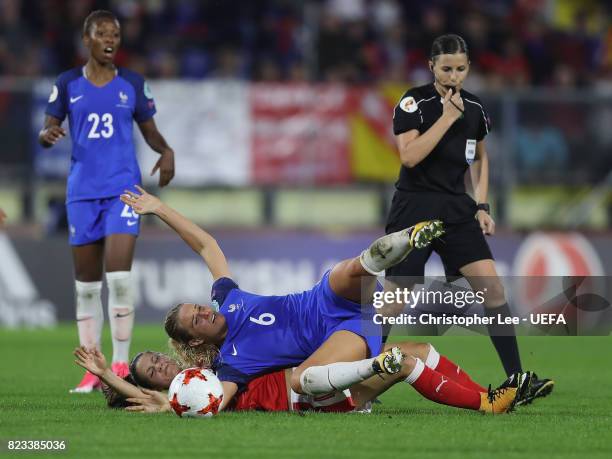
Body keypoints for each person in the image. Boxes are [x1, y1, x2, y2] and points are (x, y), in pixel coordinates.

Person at [120, 186, 532, 415]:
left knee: (346, 271)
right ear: (194, 341)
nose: (204, 311)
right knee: (315, 376)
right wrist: (165, 404)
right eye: (197, 320)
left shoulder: (228, 298)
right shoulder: (230, 363)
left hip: (323, 303)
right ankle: (488, 400)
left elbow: (207, 246)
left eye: (198, 306)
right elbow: (214, 402)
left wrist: (160, 209)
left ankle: (408, 239)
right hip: (339, 340)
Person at [385, 33, 553, 405]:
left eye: (460, 69)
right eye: (446, 69)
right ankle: (362, 378)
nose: (453, 76)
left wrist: (481, 205)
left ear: (468, 69)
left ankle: (516, 379)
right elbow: (409, 156)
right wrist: (446, 118)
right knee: (394, 301)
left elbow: (480, 157)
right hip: (414, 208)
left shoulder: (475, 108)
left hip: (456, 208)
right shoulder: (414, 102)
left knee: (492, 288)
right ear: (431, 67)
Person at [39, 10, 176, 393]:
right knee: (85, 288)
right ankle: (92, 368)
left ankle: (118, 363)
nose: (110, 39)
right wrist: (46, 135)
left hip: (124, 192)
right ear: (87, 39)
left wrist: (166, 152)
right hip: (82, 193)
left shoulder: (132, 84)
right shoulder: (67, 83)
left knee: (118, 279)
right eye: (102, 33)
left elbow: (151, 133)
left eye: (114, 33)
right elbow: (48, 127)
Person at [74, 346, 356, 413]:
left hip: (295, 371)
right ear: (153, 387)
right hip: (290, 394)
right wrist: (105, 374)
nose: (161, 365)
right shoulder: (181, 393)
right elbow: (144, 398)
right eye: (153, 371)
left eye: (156, 358)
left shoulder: (198, 360)